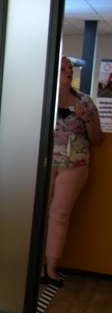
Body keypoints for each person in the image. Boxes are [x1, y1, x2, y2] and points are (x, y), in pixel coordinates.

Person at [42, 56, 105, 287]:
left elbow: (98, 139)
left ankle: (51, 269)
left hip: (74, 166)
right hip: (45, 163)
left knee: (59, 215)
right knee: (39, 213)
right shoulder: (44, 97)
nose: (68, 72)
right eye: (62, 68)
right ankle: (35, 265)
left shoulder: (85, 101)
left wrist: (86, 119)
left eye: (70, 68)